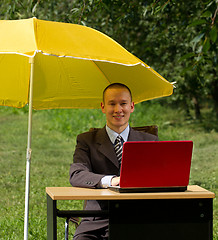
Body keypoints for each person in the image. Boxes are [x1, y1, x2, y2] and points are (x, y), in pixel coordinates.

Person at [69, 83, 158, 240]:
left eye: (123, 103)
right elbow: (76, 174)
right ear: (103, 107)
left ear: (132, 106)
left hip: (137, 219)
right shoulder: (86, 140)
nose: (118, 109)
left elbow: (160, 177)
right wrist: (111, 180)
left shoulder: (149, 141)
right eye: (112, 104)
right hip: (96, 220)